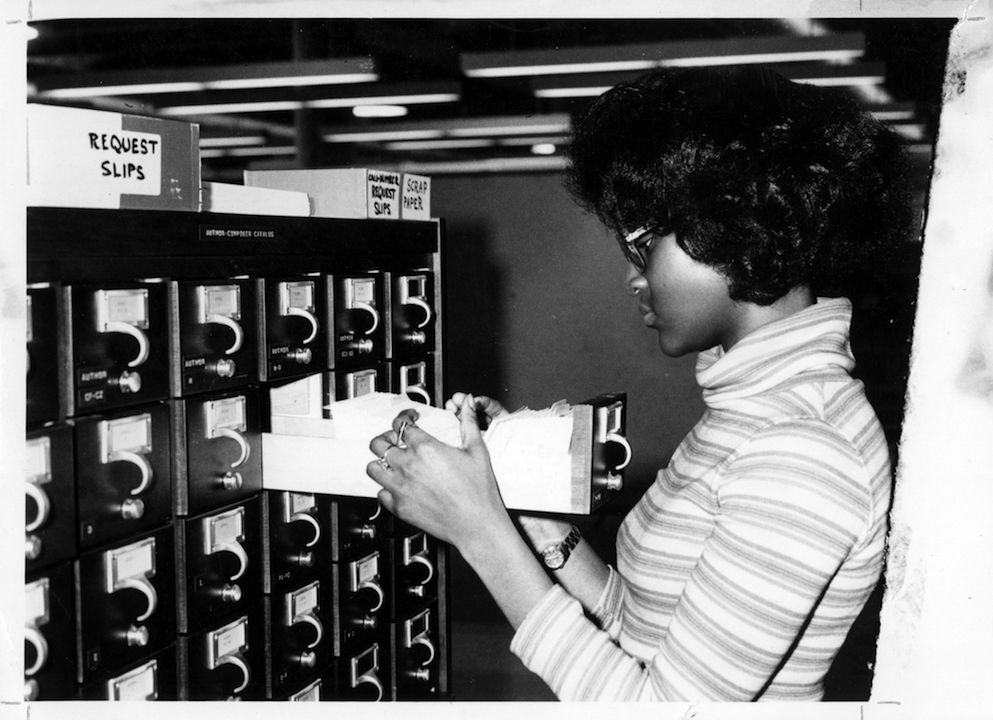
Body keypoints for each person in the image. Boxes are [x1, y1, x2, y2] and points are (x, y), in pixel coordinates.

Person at [365, 65, 912, 701]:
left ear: (736, 229)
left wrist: (479, 530)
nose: (633, 276)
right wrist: (526, 514)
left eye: (645, 241)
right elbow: (640, 631)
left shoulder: (803, 449)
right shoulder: (754, 411)